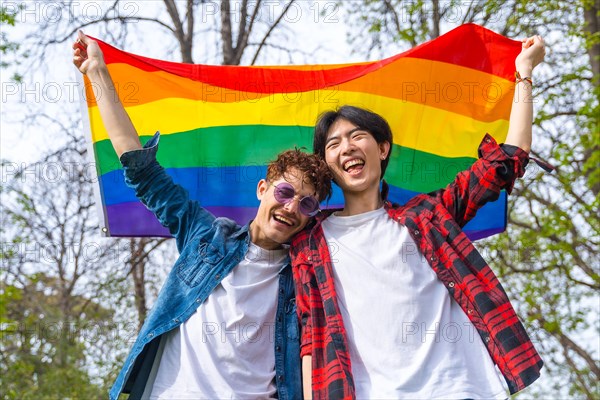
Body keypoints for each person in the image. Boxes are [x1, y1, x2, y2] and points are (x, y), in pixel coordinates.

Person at [72, 31, 332, 400]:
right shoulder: (206, 237)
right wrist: (98, 73)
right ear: (262, 189)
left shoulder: (308, 273)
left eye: (307, 204)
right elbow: (141, 170)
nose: (292, 207)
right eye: (285, 192)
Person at [291, 36, 548, 399]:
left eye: (357, 136)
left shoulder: (428, 216)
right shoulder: (309, 244)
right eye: (333, 144)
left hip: (457, 387)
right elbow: (310, 336)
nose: (346, 146)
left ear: (382, 149)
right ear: (328, 166)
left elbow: (507, 158)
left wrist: (523, 74)